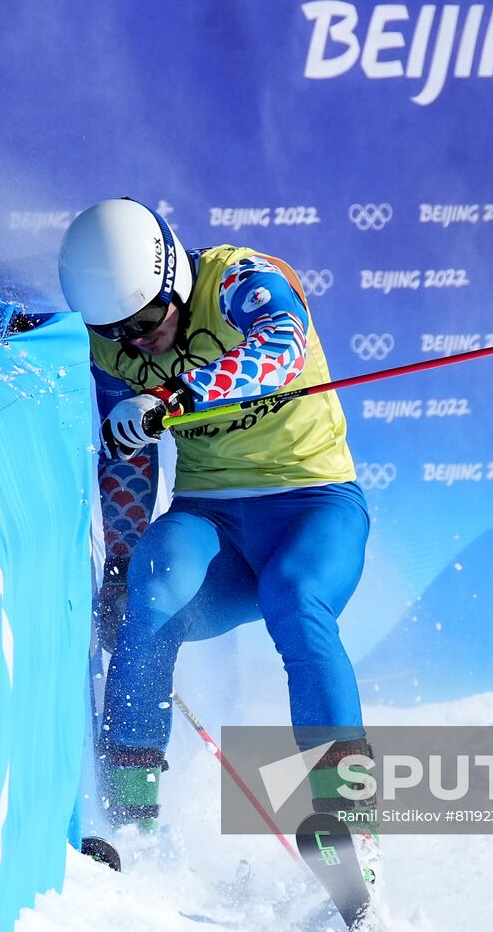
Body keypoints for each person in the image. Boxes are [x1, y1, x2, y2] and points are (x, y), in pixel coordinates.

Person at [58, 198, 380, 888]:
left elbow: (280, 345)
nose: (136, 341)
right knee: (153, 594)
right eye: (114, 330)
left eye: (147, 321)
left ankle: (348, 823)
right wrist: (120, 559)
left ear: (175, 279)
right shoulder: (115, 345)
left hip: (313, 504)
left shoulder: (237, 278)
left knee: (295, 597)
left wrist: (172, 399)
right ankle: (132, 824)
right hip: (214, 521)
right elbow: (128, 462)